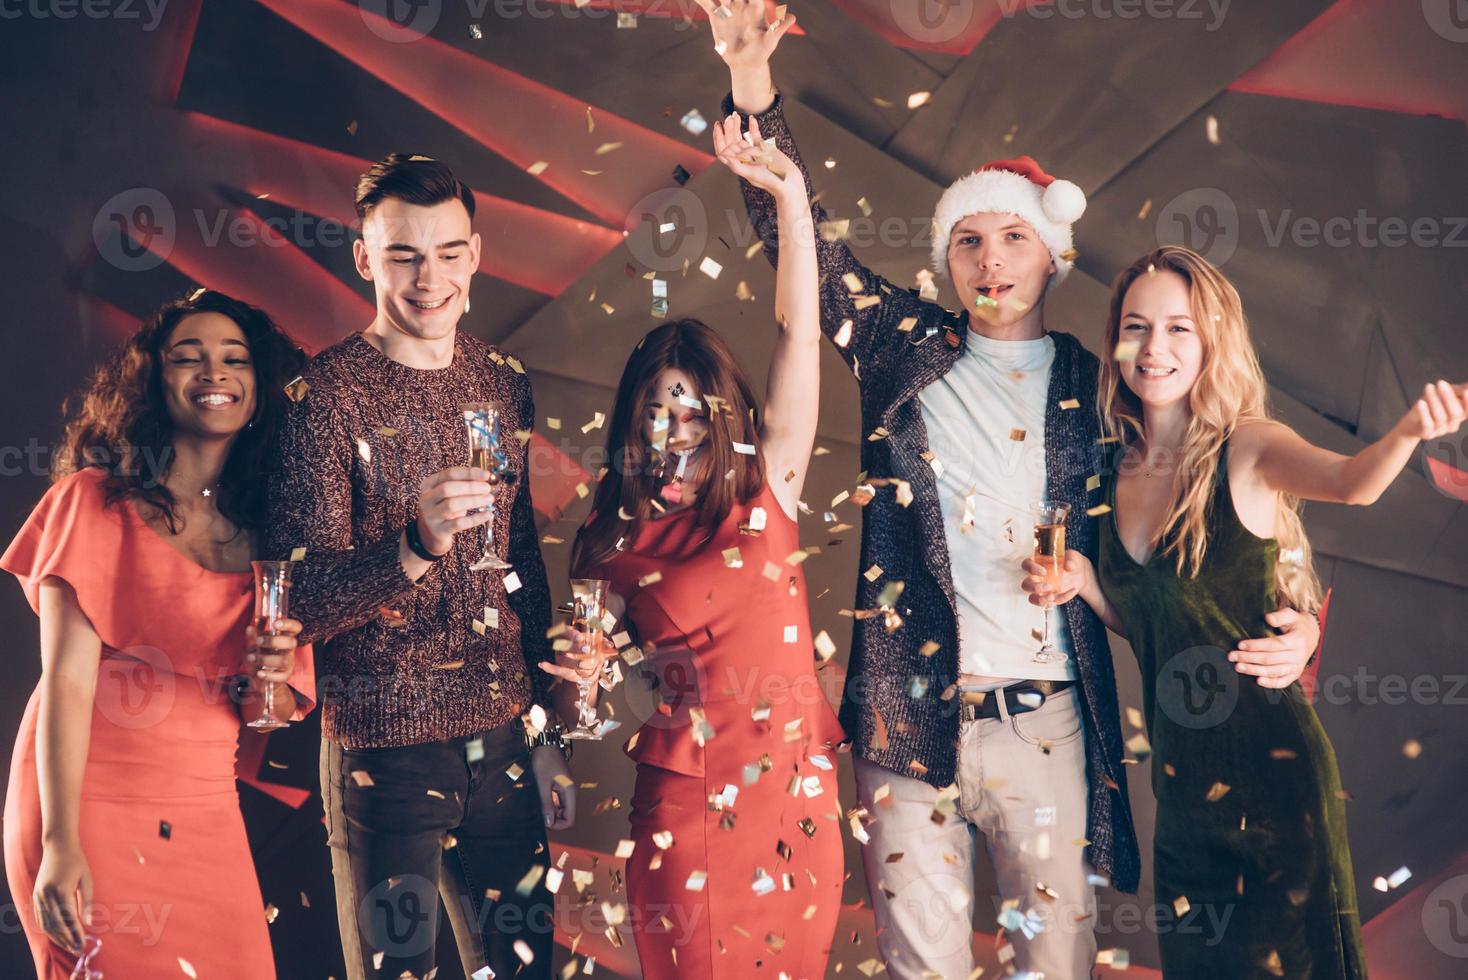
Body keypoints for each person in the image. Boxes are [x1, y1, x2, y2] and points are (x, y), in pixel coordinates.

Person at [698, 2, 1324, 976]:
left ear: (1049, 254)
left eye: (1013, 239)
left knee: (1054, 965)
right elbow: (804, 255)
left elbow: (1210, 488)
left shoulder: (1100, 381)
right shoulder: (901, 348)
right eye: (969, 242)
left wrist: (1295, 612)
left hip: (1050, 722)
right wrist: (749, 84)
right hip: (909, 715)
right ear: (946, 259)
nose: (991, 262)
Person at [1022, 245, 1466, 977]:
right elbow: (1160, 625)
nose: (1154, 349)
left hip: (1276, 789)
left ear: (1212, 341)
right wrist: (1088, 587)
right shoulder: (1108, 468)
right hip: (1181, 800)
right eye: (1137, 327)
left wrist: (1410, 432)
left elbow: (1354, 485)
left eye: (1180, 328)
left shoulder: (1249, 448)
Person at [265, 152, 575, 980]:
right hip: (382, 751)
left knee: (524, 972)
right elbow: (300, 601)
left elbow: (522, 566)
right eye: (403, 255)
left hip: (505, 736)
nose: (427, 278)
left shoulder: (504, 380)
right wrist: (412, 547)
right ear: (365, 260)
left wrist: (549, 728)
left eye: (446, 254)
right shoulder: (323, 398)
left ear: (474, 256)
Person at [557, 113, 844, 978]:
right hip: (687, 809)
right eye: (658, 406)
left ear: (724, 418)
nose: (675, 427)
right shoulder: (606, 538)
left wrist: (790, 195)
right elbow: (580, 710)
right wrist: (582, 682)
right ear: (634, 416)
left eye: (694, 410)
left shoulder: (771, 486)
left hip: (798, 806)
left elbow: (798, 332)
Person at [2, 289, 314, 979]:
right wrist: (60, 844)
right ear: (154, 378)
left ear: (260, 391)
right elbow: (67, 682)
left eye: (235, 359)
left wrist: (269, 677)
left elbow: (277, 711)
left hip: (208, 812)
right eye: (188, 357)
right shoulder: (92, 501)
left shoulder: (276, 537)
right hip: (87, 806)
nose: (215, 373)